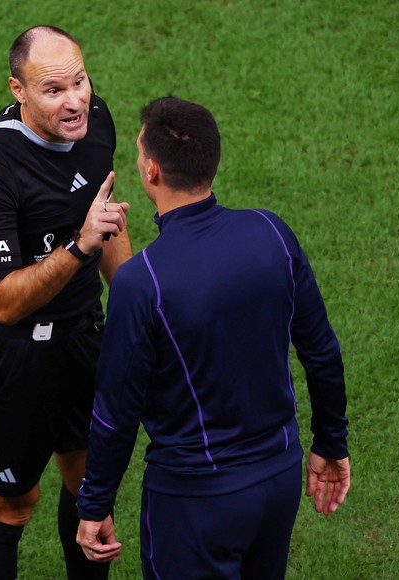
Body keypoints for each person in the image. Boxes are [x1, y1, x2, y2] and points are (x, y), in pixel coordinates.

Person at [75, 97, 351, 579]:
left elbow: (116, 412)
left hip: (195, 503)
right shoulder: (271, 232)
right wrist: (330, 442)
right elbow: (322, 352)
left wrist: (95, 502)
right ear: (213, 161)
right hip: (277, 481)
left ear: (152, 171)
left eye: (140, 153)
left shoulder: (143, 282)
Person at [0, 25, 132, 579]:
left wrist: (133, 303)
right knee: (11, 502)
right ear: (18, 90)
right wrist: (80, 247)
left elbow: (105, 215)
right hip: (14, 356)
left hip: (83, 333)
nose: (75, 100)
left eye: (79, 81)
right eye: (53, 90)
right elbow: (3, 302)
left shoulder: (95, 121)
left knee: (90, 488)